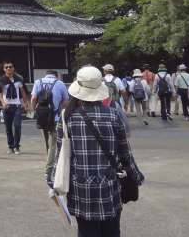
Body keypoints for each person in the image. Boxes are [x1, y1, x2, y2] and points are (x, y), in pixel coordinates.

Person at [47, 66, 144, 237]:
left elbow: (62, 155)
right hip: (109, 185)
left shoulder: (67, 117)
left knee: (86, 232)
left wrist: (53, 179)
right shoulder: (114, 115)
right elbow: (125, 153)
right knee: (112, 231)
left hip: (81, 187)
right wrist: (136, 176)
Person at [31, 70, 69, 177]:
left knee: (46, 139)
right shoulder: (60, 83)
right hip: (55, 117)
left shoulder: (38, 82)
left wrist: (34, 110)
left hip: (42, 116)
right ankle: (49, 168)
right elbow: (66, 100)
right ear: (56, 76)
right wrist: (59, 109)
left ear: (46, 75)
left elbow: (34, 98)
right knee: (53, 143)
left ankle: (48, 158)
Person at [0, 61, 28, 155]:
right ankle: (10, 146)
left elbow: (23, 92)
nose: (8, 69)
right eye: (6, 67)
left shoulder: (19, 79)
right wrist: (3, 103)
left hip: (17, 105)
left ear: (13, 68)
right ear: (4, 69)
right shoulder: (1, 80)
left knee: (17, 126)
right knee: (8, 128)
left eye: (10, 67)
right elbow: (0, 93)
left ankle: (16, 146)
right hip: (7, 106)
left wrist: (26, 103)